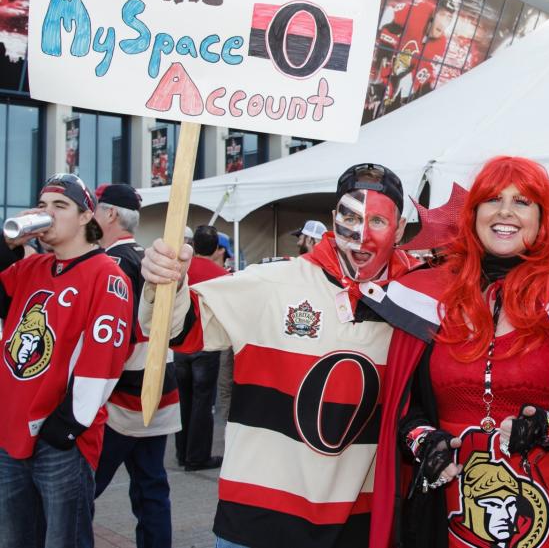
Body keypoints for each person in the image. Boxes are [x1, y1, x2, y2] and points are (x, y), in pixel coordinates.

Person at [140, 164, 418, 548]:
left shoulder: (417, 302)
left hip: (359, 524)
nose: (360, 235)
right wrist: (164, 283)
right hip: (259, 523)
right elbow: (178, 328)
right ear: (332, 218)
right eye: (349, 217)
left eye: (376, 220)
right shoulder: (273, 283)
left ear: (400, 229)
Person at [369, 156, 549, 548]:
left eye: (522, 202)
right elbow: (400, 410)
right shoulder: (425, 298)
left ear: (543, 219)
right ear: (473, 215)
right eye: (492, 200)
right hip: (443, 515)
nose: (505, 212)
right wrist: (422, 440)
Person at [0, 173, 132, 548]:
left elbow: (104, 361)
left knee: (64, 540)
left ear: (85, 217)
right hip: (10, 433)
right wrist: (8, 244)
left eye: (60, 206)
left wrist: (67, 429)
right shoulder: (31, 268)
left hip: (59, 439)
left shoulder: (107, 275)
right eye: (42, 206)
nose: (47, 213)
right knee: (13, 539)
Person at [92, 183, 179, 548]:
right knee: (152, 488)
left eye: (95, 210)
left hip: (121, 395)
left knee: (81, 487)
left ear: (110, 214)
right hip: (158, 389)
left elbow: (110, 340)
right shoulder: (148, 259)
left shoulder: (111, 263)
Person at [173, 225, 228, 472]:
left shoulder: (183, 269)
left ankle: (182, 452)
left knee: (184, 400)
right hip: (206, 343)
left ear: (193, 245)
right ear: (217, 248)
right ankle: (197, 456)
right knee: (203, 403)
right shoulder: (222, 275)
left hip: (180, 343)